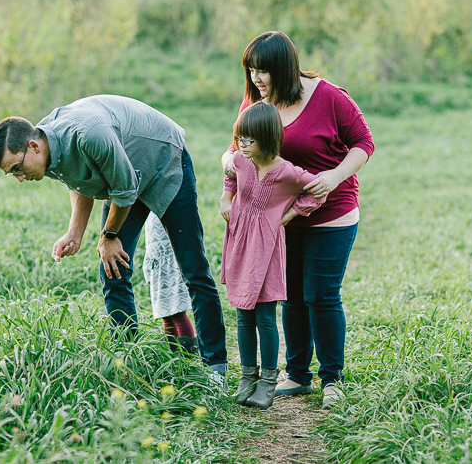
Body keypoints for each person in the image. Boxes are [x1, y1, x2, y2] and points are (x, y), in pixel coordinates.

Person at [0, 94, 228, 385]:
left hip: (163, 160)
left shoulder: (88, 134)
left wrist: (110, 235)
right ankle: (129, 363)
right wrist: (75, 232)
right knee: (111, 268)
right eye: (12, 174)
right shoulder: (45, 149)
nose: (19, 178)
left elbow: (125, 188)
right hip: (125, 175)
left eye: (16, 168)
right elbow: (78, 178)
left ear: (33, 146)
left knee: (192, 267)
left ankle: (216, 369)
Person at [221, 31, 374, 408]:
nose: (257, 79)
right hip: (278, 222)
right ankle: (299, 374)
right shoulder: (256, 101)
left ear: (284, 69)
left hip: (331, 213)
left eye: (264, 71)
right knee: (289, 297)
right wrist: (227, 166)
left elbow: (364, 143)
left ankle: (332, 380)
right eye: (252, 71)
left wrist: (334, 177)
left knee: (321, 296)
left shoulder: (330, 97)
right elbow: (238, 145)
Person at [220, 101, 325, 410]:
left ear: (267, 138)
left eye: (249, 139)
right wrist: (226, 199)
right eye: (240, 138)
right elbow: (230, 174)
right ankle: (247, 377)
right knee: (242, 314)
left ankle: (267, 380)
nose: (241, 145)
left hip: (266, 249)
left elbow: (318, 191)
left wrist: (292, 213)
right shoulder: (240, 160)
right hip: (239, 242)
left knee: (265, 316)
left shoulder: (287, 172)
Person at [142, 212, 198, 355]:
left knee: (177, 313)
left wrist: (182, 258)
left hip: (173, 265)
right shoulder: (147, 212)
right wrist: (148, 267)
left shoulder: (167, 204)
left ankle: (189, 356)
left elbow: (182, 231)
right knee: (166, 316)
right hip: (157, 266)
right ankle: (173, 355)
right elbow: (148, 244)